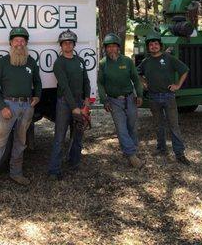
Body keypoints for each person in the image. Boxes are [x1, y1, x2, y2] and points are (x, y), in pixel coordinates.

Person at [0, 27, 42, 199]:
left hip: (26, 106)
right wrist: (2, 106)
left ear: (26, 43)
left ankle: (16, 173)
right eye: (16, 40)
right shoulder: (3, 62)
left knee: (21, 142)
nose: (19, 43)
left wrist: (37, 97)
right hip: (8, 106)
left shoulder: (31, 62)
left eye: (22, 40)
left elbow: (38, 82)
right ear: (11, 43)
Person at [138, 31, 191, 165]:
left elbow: (185, 70)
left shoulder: (169, 58)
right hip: (153, 98)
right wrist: (142, 81)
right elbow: (135, 73)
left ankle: (179, 153)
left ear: (160, 45)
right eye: (151, 44)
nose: (154, 46)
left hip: (168, 97)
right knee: (158, 125)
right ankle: (161, 148)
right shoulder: (146, 62)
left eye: (156, 44)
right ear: (148, 47)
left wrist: (178, 85)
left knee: (174, 126)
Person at [48, 29, 91, 180]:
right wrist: (74, 108)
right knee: (60, 136)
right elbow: (64, 87)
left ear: (74, 44)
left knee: (78, 134)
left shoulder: (79, 61)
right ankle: (54, 170)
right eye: (65, 43)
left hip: (80, 102)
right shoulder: (59, 63)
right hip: (65, 104)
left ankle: (74, 162)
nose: (68, 45)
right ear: (61, 45)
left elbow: (86, 80)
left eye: (70, 42)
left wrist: (86, 101)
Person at [97, 33, 145, 168]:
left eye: (114, 47)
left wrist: (139, 95)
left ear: (118, 48)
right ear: (105, 49)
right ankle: (131, 156)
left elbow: (136, 79)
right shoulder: (103, 64)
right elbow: (100, 83)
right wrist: (104, 100)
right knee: (121, 128)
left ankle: (132, 150)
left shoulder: (127, 61)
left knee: (132, 127)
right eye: (109, 47)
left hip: (130, 98)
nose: (111, 49)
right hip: (114, 101)